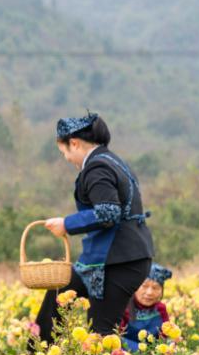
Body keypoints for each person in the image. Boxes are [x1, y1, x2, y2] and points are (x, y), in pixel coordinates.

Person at [35, 113, 154, 343]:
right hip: (113, 257)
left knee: (101, 333)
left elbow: (108, 212)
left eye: (64, 152)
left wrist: (66, 224)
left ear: (74, 143)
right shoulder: (111, 160)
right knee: (58, 293)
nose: (67, 158)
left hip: (120, 261)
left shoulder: (97, 167)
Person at [121, 263, 171, 352]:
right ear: (135, 286)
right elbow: (116, 338)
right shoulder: (123, 308)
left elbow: (165, 337)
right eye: (144, 286)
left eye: (155, 288)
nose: (149, 292)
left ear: (161, 291)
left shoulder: (161, 309)